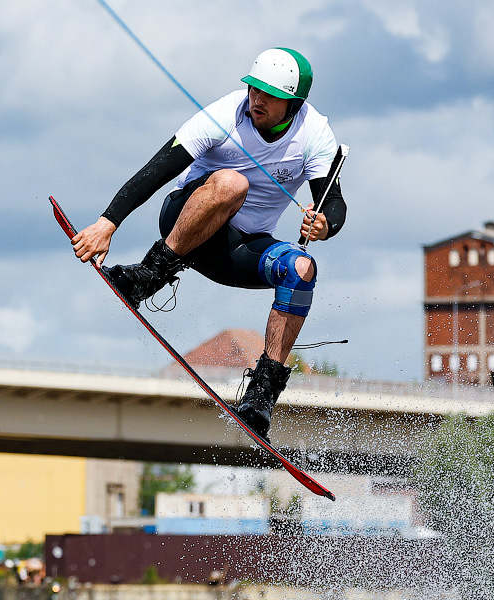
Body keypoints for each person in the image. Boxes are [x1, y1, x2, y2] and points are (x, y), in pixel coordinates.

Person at [70, 48, 347, 441]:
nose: (257, 100)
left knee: (302, 268)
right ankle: (150, 274)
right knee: (234, 182)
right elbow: (157, 169)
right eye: (253, 89)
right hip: (185, 223)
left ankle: (261, 396)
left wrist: (325, 224)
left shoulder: (316, 133)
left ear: (294, 103)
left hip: (238, 252)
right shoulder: (226, 113)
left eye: (269, 95)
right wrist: (107, 221)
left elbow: (333, 203)